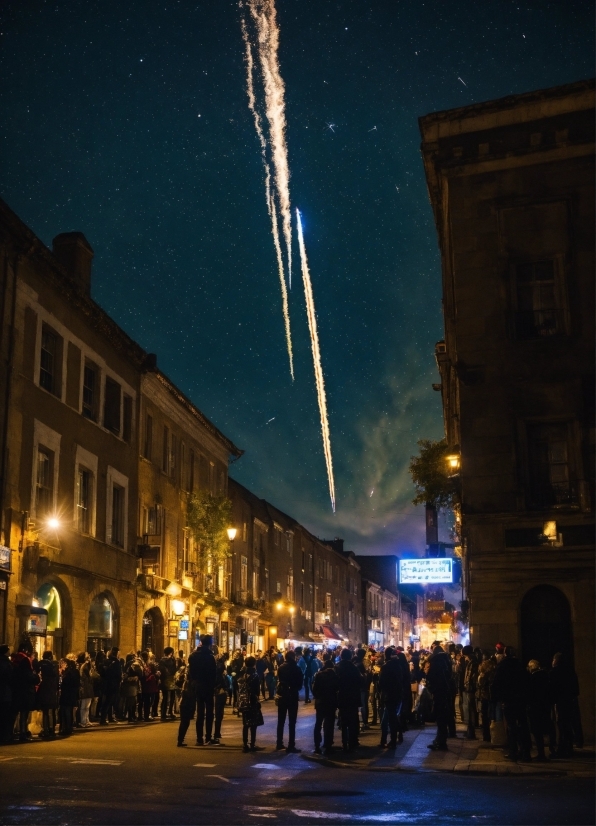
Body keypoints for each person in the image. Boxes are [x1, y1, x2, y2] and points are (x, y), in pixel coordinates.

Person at [491, 646, 531, 762]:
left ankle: (513, 751)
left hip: (508, 700)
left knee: (511, 726)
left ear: (505, 654)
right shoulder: (520, 665)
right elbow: (526, 681)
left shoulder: (503, 666)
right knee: (523, 725)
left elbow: (497, 683)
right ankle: (525, 752)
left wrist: (496, 698)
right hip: (521, 700)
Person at [549, 652, 580, 758]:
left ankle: (562, 749)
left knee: (561, 726)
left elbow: (552, 689)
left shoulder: (555, 672)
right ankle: (569, 747)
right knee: (568, 725)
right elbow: (576, 689)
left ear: (556, 661)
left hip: (560, 702)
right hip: (569, 701)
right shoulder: (571, 671)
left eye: (553, 660)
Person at [187, 635, 216, 745]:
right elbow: (213, 673)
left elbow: (191, 671)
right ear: (209, 643)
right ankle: (208, 737)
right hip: (208, 686)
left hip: (198, 685)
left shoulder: (193, 656)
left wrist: (193, 682)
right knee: (209, 712)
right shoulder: (210, 656)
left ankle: (199, 738)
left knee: (199, 712)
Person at [425, 640, 452, 751]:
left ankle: (440, 742)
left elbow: (430, 677)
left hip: (438, 691)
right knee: (443, 716)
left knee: (440, 717)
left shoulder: (435, 661)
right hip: (445, 691)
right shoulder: (446, 660)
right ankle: (440, 740)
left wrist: (431, 687)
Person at [275, 649, 303, 752]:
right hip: (292, 695)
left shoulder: (281, 668)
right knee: (292, 722)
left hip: (282, 695)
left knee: (281, 720)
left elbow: (279, 679)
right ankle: (291, 744)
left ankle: (279, 742)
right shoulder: (296, 668)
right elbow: (300, 683)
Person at [11, 640, 38, 742]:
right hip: (25, 690)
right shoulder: (25, 660)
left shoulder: (14, 659)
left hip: (15, 690)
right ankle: (23, 733)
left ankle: (10, 732)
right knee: (24, 713)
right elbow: (28, 676)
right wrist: (36, 678)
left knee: (14, 713)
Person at [311, 653, 338, 755]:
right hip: (331, 702)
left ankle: (317, 745)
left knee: (318, 723)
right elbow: (337, 689)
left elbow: (314, 689)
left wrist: (318, 697)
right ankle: (328, 744)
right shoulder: (335, 676)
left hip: (321, 702)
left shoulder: (319, 675)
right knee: (329, 724)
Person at [335, 648, 361, 752]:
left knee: (344, 720)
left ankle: (344, 742)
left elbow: (335, 683)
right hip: (353, 697)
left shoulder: (337, 667)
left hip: (342, 697)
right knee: (353, 720)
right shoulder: (354, 668)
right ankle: (353, 741)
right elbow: (359, 682)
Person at [378, 648, 403, 749]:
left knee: (390, 718)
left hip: (389, 695)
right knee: (391, 716)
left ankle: (391, 740)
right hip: (397, 694)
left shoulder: (386, 667)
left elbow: (382, 683)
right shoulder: (398, 665)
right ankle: (392, 737)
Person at [238, 656, 264, 752]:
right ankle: (252, 744)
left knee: (245, 723)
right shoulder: (255, 675)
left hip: (244, 700)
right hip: (252, 700)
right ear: (254, 664)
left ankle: (245, 745)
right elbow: (257, 690)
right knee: (253, 724)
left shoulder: (242, 675)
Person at [526, 659, 551, 761]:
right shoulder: (546, 676)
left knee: (536, 731)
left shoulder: (533, 678)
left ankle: (541, 753)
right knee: (544, 730)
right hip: (544, 706)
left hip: (535, 707)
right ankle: (546, 751)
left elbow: (530, 693)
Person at [36, 650, 59, 739]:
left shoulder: (41, 664)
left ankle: (45, 729)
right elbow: (56, 677)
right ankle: (51, 729)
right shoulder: (54, 665)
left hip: (44, 688)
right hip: (52, 689)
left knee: (45, 711)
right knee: (52, 710)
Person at [476, 650, 496, 742]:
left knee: (485, 715)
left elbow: (480, 685)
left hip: (485, 696)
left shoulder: (483, 675)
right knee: (492, 716)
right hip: (492, 696)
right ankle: (492, 735)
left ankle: (486, 735)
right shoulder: (493, 672)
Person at [100, 647, 122, 725]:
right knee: (110, 701)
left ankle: (108, 717)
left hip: (106, 684)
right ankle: (104, 719)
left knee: (107, 701)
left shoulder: (105, 661)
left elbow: (102, 673)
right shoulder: (116, 662)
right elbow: (119, 675)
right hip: (113, 684)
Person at [59, 657, 80, 736]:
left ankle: (66, 727)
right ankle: (69, 727)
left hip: (66, 694)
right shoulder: (75, 672)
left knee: (65, 711)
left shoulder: (68, 673)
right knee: (69, 711)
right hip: (72, 694)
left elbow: (64, 684)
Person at [462, 646, 478, 740]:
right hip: (470, 689)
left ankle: (471, 732)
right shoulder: (472, 662)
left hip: (471, 689)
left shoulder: (473, 663)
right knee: (471, 709)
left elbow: (470, 677)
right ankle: (470, 731)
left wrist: (467, 685)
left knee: (471, 709)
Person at [213, 652, 229, 744]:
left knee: (217, 713)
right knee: (219, 712)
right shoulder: (220, 668)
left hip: (215, 689)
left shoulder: (214, 666)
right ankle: (216, 733)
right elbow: (222, 679)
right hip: (219, 690)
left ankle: (216, 733)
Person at [158, 647, 177, 722]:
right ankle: (164, 713)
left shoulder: (168, 660)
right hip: (167, 679)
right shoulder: (166, 660)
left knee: (169, 696)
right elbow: (171, 669)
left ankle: (167, 713)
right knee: (167, 697)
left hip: (168, 679)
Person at [0, 645, 13, 744]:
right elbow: (10, 676)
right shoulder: (6, 663)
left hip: (4, 691)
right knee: (6, 714)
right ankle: (5, 735)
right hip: (6, 692)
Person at [77, 653, 95, 728]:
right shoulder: (83, 665)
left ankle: (86, 720)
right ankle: (83, 721)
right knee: (84, 706)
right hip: (85, 686)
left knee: (87, 705)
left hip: (88, 686)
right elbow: (85, 675)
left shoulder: (86, 665)